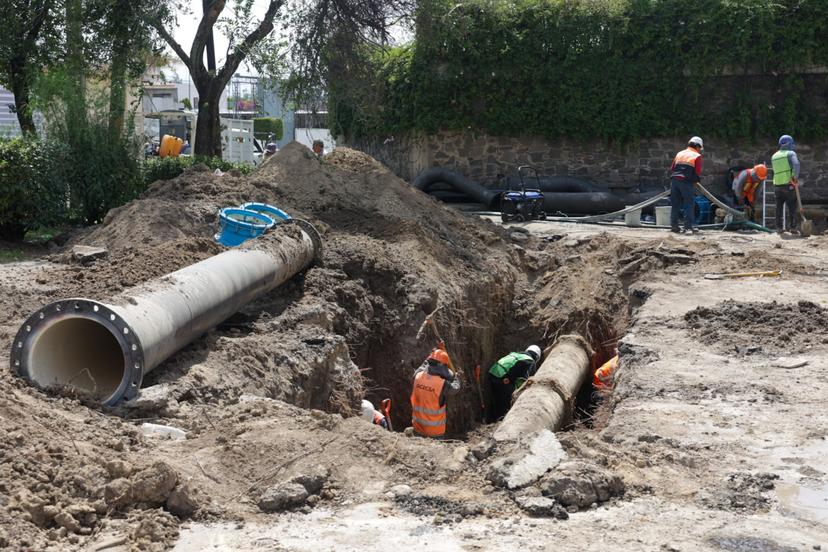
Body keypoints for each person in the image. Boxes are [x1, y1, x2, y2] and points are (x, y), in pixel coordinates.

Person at [410, 347, 461, 438]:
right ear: (442, 367)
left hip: (418, 428)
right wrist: (458, 378)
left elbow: (424, 365)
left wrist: (434, 355)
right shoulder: (441, 384)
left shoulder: (418, 376)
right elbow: (455, 388)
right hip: (435, 432)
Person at [488, 345, 542, 422]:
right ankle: (502, 419)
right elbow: (524, 380)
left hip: (493, 373)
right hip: (504, 378)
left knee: (496, 398)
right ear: (537, 357)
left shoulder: (515, 354)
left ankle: (491, 419)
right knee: (507, 400)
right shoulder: (530, 361)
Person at [669, 136, 704, 234]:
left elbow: (672, 168)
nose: (699, 150)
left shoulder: (680, 153)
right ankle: (688, 227)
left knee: (675, 204)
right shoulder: (696, 156)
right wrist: (695, 181)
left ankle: (674, 226)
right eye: (699, 148)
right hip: (686, 182)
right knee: (689, 204)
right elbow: (697, 172)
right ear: (697, 146)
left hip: (675, 181)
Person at [771, 134, 802, 235]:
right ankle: (793, 228)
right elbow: (796, 164)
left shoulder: (774, 156)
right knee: (792, 206)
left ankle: (779, 228)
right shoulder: (790, 153)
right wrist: (795, 177)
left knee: (778, 207)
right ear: (789, 143)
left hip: (777, 185)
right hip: (788, 184)